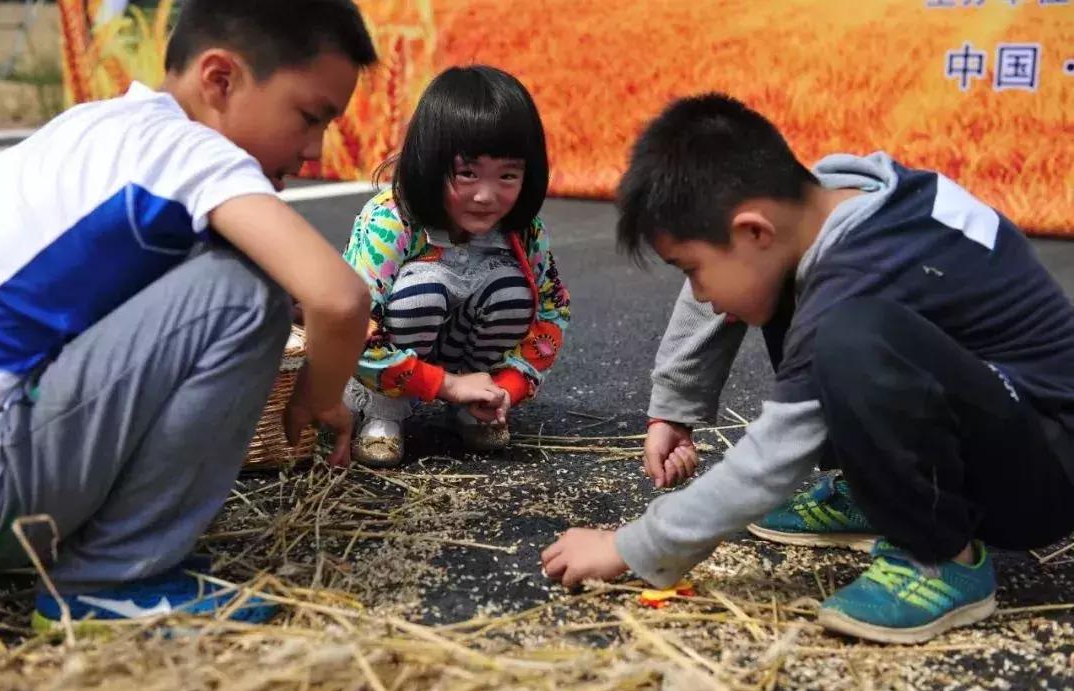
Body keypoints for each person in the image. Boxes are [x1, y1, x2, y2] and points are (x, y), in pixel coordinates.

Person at [542, 93, 1074, 644]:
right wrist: (673, 410)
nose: (699, 289)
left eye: (693, 269)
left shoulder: (863, 267)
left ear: (753, 231)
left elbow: (776, 454)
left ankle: (939, 554)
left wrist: (629, 546)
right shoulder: (824, 203)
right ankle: (884, 496)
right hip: (996, 419)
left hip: (1049, 468)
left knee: (849, 334)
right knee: (795, 295)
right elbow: (716, 294)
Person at [0, 0, 376, 630]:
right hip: (8, 481)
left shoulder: (90, 128)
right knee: (246, 294)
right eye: (310, 117)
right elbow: (339, 299)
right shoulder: (190, 150)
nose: (314, 151)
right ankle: (112, 580)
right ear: (219, 79)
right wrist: (316, 396)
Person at [341, 65, 570, 467]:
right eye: (466, 173)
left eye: (508, 175)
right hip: (385, 366)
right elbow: (353, 322)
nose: (486, 196)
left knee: (512, 290)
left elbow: (552, 308)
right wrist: (445, 384)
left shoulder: (524, 230)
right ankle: (383, 413)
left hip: (466, 363)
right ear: (430, 163)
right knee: (422, 291)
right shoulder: (391, 221)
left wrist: (508, 387)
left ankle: (475, 406)